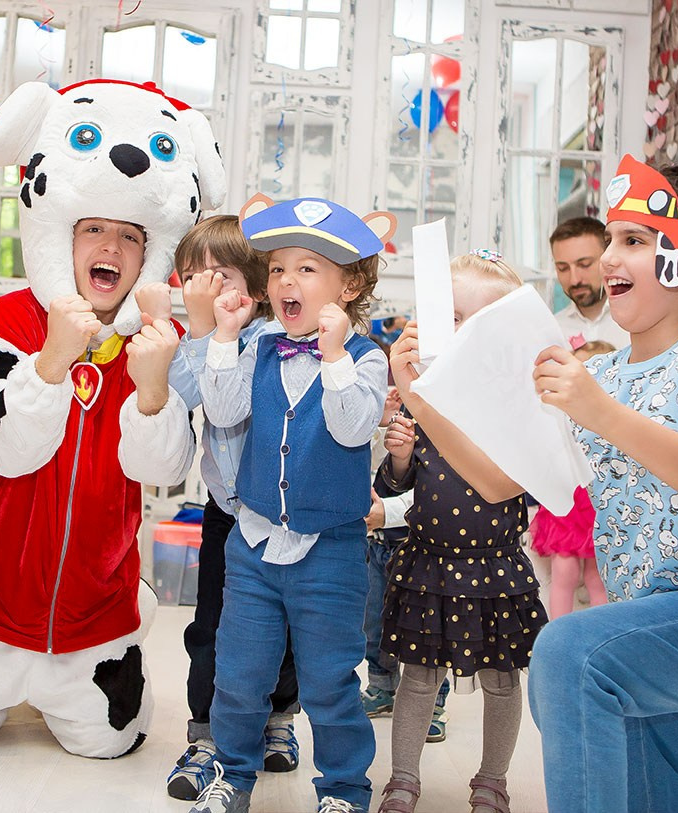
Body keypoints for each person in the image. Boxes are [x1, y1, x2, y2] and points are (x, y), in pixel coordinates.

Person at [390, 156, 678, 813]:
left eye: (634, 241)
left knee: (566, 650)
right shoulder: (601, 379)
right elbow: (498, 482)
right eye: (611, 237)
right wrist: (420, 395)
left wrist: (597, 411)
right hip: (650, 626)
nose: (611, 257)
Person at [0, 78, 219, 764]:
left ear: (149, 254)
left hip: (94, 616)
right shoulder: (7, 319)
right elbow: (2, 452)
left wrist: (151, 390)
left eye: (127, 235)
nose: (109, 244)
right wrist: (51, 358)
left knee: (113, 746)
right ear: (64, 235)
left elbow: (163, 471)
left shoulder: (157, 338)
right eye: (93, 229)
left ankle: (88, 669)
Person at [190, 194, 395, 813]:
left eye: (307, 268)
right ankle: (233, 775)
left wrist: (333, 355)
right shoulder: (256, 345)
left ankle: (343, 789)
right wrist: (224, 336)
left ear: (350, 282)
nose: (286, 281)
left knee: (331, 682)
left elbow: (353, 427)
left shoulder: (367, 358)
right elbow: (223, 413)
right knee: (239, 675)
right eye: (278, 268)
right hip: (252, 542)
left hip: (329, 549)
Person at [374, 251, 547, 813]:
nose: (458, 331)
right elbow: (401, 486)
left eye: (475, 319)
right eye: (449, 316)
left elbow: (528, 482)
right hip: (427, 564)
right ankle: (402, 777)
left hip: (497, 569)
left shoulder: (518, 404)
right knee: (417, 679)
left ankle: (492, 780)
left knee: (503, 680)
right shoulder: (428, 401)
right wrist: (399, 459)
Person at [138, 216, 304, 801]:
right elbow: (184, 392)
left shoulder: (271, 341)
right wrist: (179, 327)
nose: (205, 286)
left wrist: (211, 329)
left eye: (222, 274)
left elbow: (231, 405)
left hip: (278, 514)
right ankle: (205, 734)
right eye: (195, 275)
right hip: (222, 510)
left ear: (256, 289)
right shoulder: (196, 338)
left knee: (282, 628)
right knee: (209, 627)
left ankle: (279, 720)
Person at [360, 386, 451, 745]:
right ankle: (381, 686)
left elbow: (442, 485)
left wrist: (391, 514)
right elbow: (367, 464)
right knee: (374, 624)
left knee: (426, 630)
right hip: (376, 542)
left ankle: (433, 704)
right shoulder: (390, 414)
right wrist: (380, 421)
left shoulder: (445, 412)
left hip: (423, 544)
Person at [527, 338, 615, 619]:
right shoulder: (558, 409)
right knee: (563, 573)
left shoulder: (612, 413)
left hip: (596, 502)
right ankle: (558, 632)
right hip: (566, 500)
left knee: (596, 576)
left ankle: (600, 632)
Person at [550, 216, 630, 349]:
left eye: (584, 265)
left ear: (608, 258)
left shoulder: (639, 322)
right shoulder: (552, 331)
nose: (574, 280)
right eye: (562, 268)